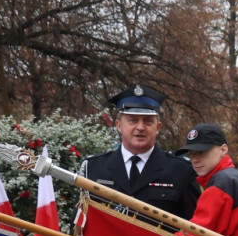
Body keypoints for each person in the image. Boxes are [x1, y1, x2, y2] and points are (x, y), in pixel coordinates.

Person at [80, 84, 200, 220]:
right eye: (133, 120)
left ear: (158, 128)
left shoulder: (181, 171)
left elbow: (193, 228)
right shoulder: (93, 167)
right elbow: (80, 224)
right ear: (119, 126)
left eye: (148, 122)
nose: (140, 127)